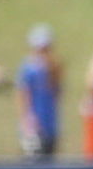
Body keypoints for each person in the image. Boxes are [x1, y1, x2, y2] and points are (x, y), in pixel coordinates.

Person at [15, 24, 62, 158]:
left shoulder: (52, 66)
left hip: (49, 122)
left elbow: (56, 90)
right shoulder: (27, 67)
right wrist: (26, 117)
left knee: (49, 155)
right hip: (33, 123)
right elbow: (22, 93)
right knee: (32, 159)